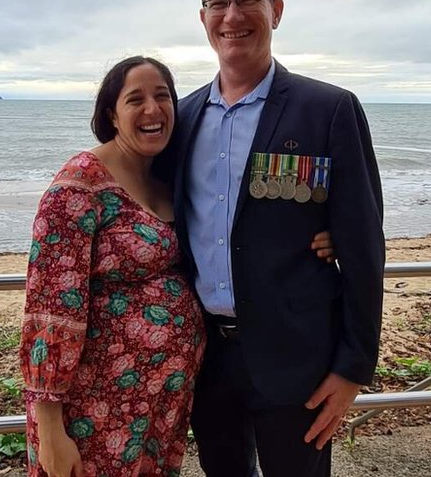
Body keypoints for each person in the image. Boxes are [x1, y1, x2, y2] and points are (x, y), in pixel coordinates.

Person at [18, 56, 336, 476]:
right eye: (135, 99)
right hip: (93, 413)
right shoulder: (79, 186)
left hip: (159, 410)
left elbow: (236, 224)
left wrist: (323, 232)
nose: (152, 109)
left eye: (162, 95)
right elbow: (49, 311)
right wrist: (50, 426)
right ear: (111, 114)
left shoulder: (169, 177)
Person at [168, 0, 386, 477]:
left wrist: (354, 367)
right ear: (203, 18)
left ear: (277, 10)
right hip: (206, 358)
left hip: (300, 360)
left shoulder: (329, 109)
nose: (232, 15)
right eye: (218, 3)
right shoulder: (182, 117)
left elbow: (363, 244)